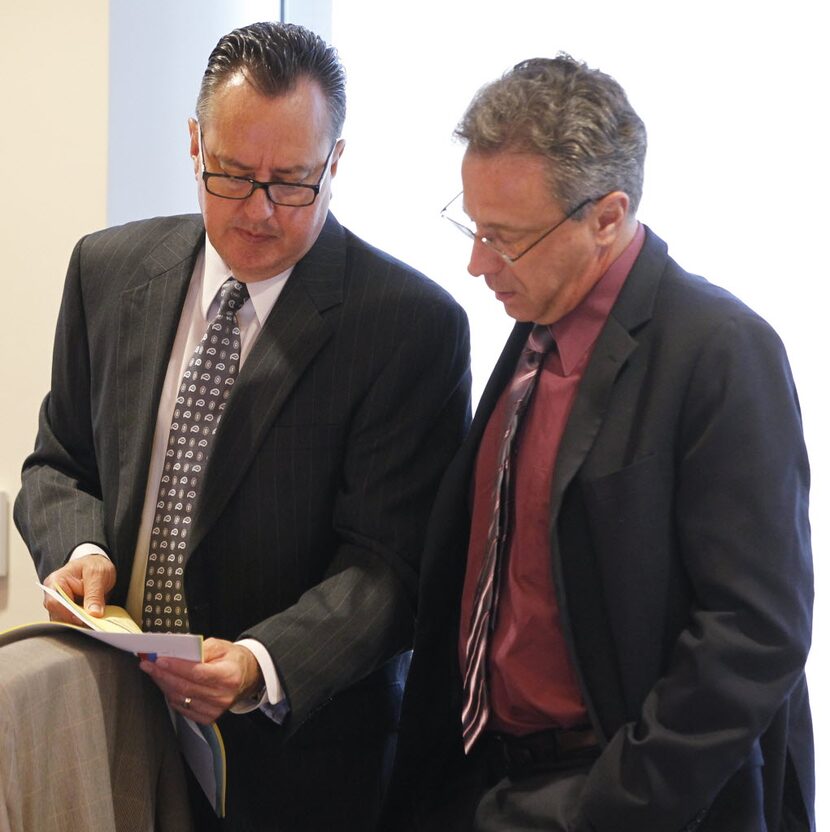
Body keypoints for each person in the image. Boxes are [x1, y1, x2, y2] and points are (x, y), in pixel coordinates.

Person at [14, 21, 471, 832]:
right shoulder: (108, 270)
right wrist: (82, 552)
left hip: (297, 766)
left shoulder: (408, 325)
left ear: (335, 163)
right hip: (115, 722)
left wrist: (262, 664)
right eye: (232, 176)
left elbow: (392, 565)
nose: (260, 211)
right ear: (195, 143)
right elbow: (59, 463)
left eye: (291, 182)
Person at [382, 55, 814, 831]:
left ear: (607, 218)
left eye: (503, 238)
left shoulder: (720, 349)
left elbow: (754, 632)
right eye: (473, 228)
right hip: (488, 785)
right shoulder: (534, 327)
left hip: (619, 797)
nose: (477, 264)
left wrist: (611, 806)